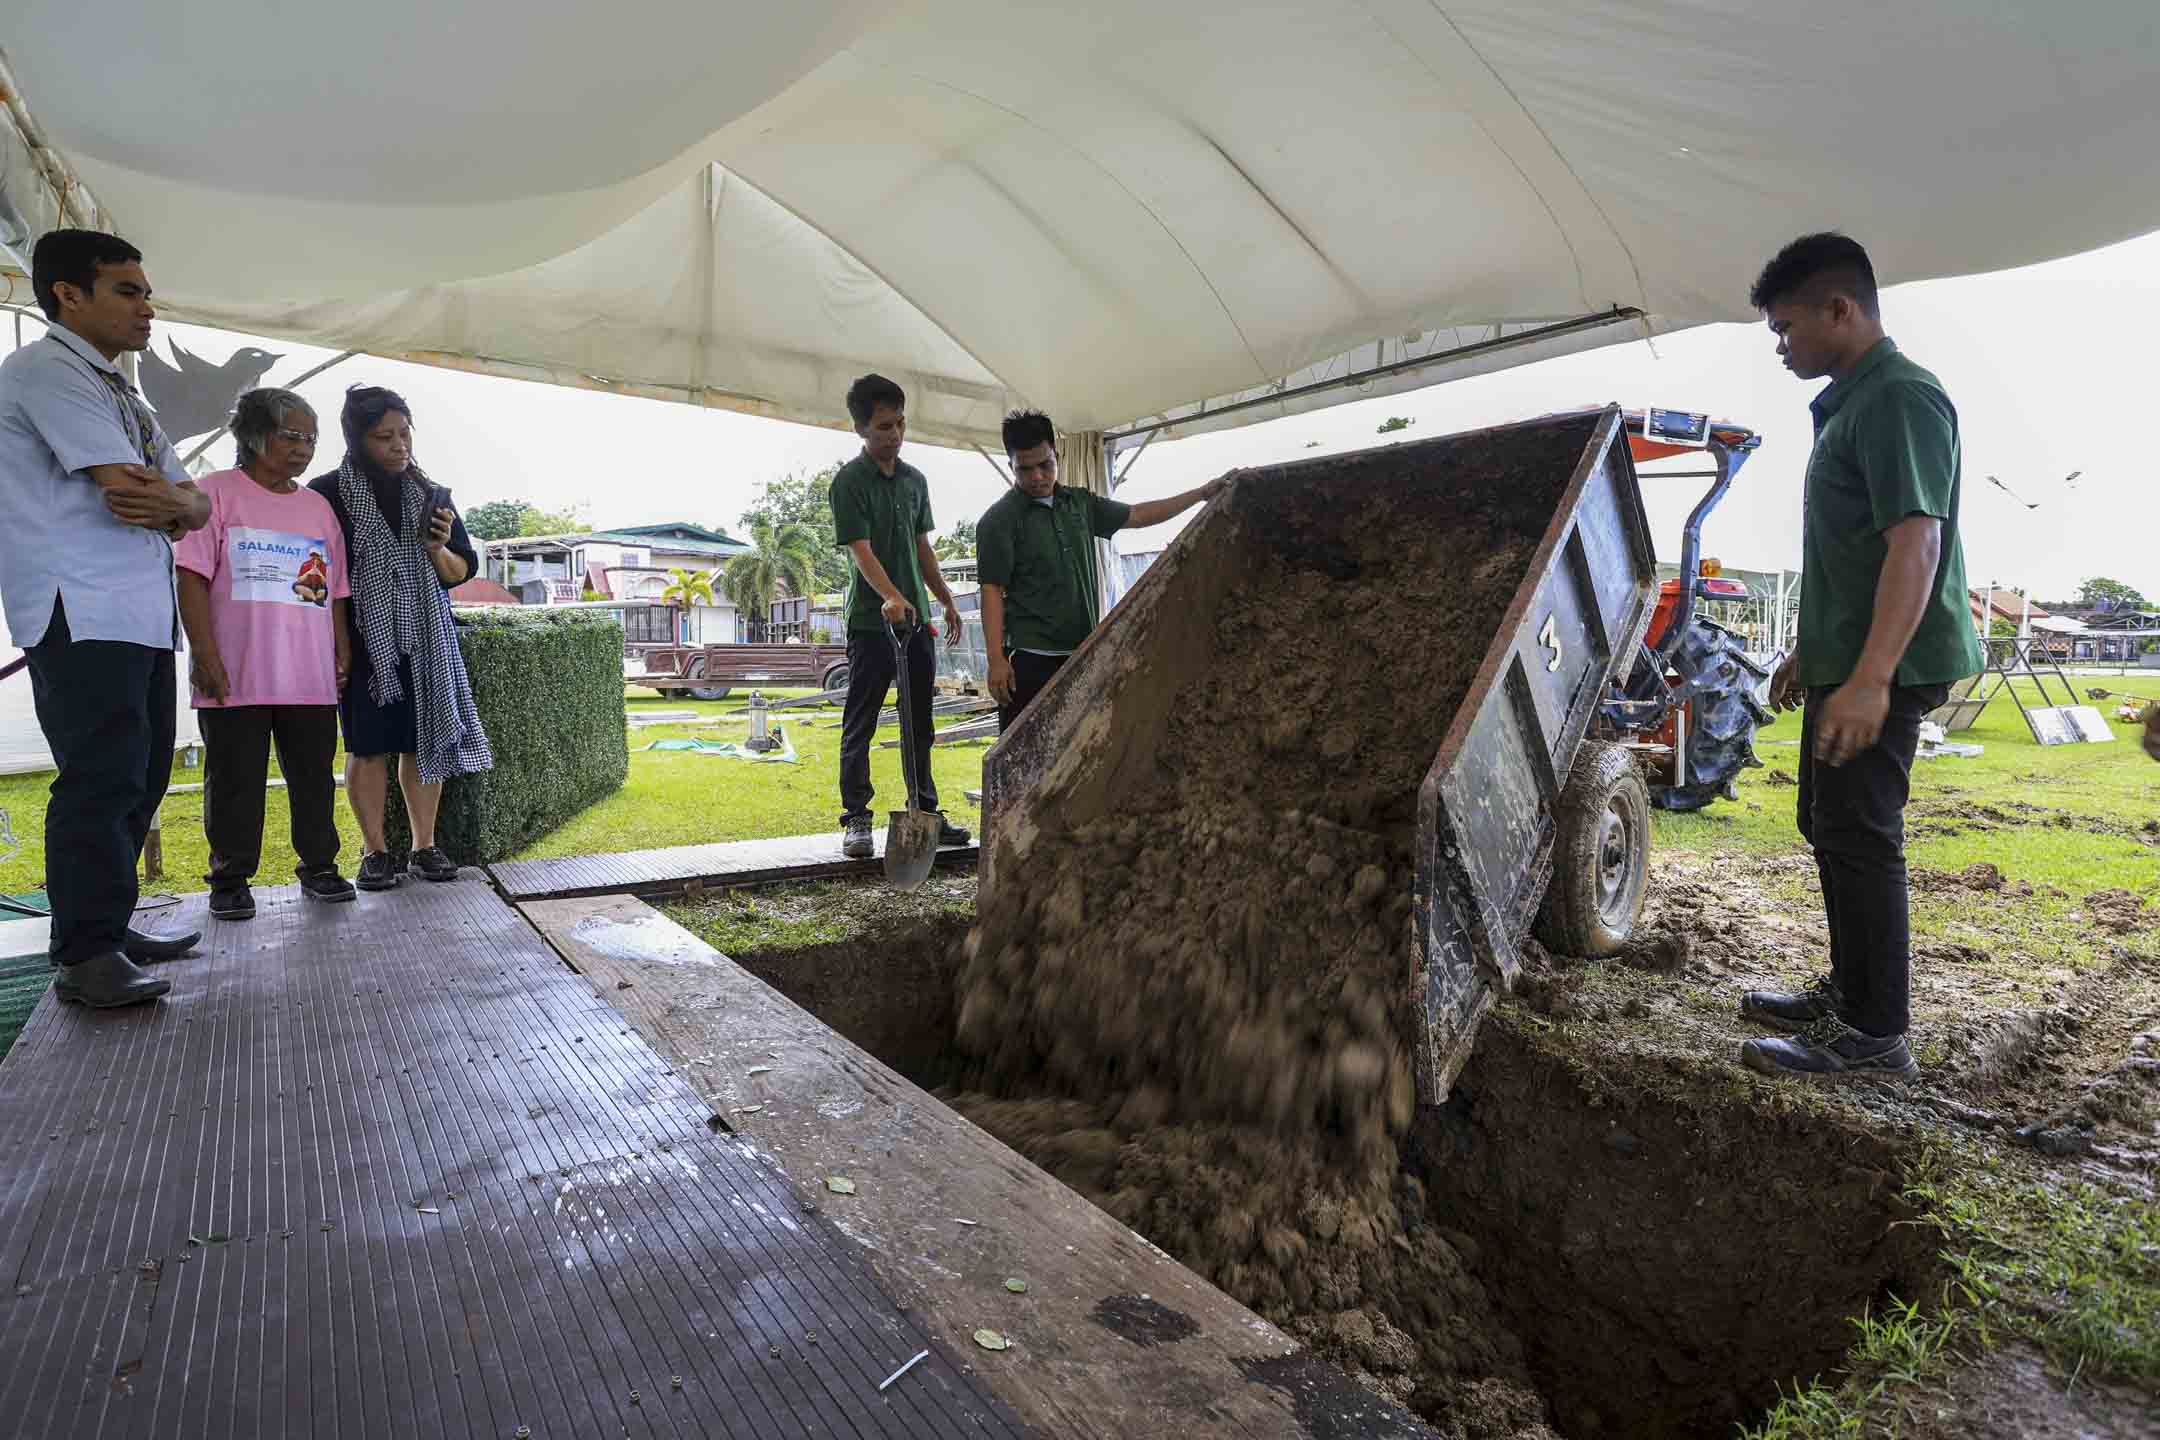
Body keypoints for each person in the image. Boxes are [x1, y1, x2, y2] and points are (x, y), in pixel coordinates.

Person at [1738, 233, 1984, 1080]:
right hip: (1848, 657)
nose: (1781, 344)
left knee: (1861, 831)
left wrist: (1873, 677)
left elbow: (1915, 543)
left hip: (1894, 663)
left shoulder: (1901, 397)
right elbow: (1847, 548)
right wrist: (1813, 652)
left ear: (1841, 310)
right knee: (1828, 822)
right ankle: (1850, 991)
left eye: (1786, 325)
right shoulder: (1852, 400)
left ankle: (1877, 1034)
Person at [0, 229, 210, 1007]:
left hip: (138, 609)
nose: (147, 307)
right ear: (68, 294)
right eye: (129, 290)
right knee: (101, 776)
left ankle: (111, 926)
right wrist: (176, 504)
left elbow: (191, 500)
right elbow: (125, 487)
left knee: (145, 770)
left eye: (146, 291)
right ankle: (85, 953)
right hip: (80, 604)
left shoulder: (122, 389)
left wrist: (181, 503)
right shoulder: (48, 372)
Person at [175, 389, 357, 919]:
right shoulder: (213, 495)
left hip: (308, 675)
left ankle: (320, 868)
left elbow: (336, 590)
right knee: (234, 783)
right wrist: (204, 655)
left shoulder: (318, 508)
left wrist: (341, 648)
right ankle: (229, 880)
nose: (304, 448)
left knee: (314, 778)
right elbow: (190, 578)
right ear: (255, 436)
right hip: (235, 673)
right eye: (291, 436)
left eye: (311, 439)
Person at [309, 386, 491, 890]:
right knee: (366, 746)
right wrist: (338, 645)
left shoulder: (433, 495)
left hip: (426, 640)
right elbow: (321, 579)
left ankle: (424, 846)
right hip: (363, 639)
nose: (398, 445)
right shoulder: (326, 494)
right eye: (383, 436)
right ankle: (374, 852)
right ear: (357, 440)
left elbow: (458, 573)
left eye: (404, 433)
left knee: (422, 739)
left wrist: (435, 547)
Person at [976, 409, 1226, 731]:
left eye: (1045, 465)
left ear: (1056, 454)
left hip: (1082, 653)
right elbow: (991, 590)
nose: (1037, 477)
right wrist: (995, 659)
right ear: (1011, 464)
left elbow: (1137, 515)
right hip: (1029, 659)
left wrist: (1200, 494)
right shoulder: (998, 521)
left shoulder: (1079, 503)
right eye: (1025, 469)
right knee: (1026, 750)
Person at [828, 373, 970, 860]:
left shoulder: (915, 481)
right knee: (861, 722)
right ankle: (857, 819)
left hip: (918, 626)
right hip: (872, 625)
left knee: (919, 724)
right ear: (862, 430)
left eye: (900, 424)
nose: (895, 434)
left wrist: (945, 597)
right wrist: (890, 596)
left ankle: (924, 813)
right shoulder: (849, 483)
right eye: (884, 426)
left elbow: (921, 546)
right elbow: (860, 551)